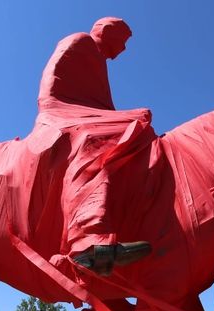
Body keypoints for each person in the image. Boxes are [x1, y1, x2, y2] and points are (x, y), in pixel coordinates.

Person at [38, 17, 150, 276]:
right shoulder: (81, 42)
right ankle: (86, 240)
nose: (123, 49)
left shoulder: (97, 61)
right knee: (95, 142)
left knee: (135, 128)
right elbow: (54, 89)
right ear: (107, 31)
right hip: (62, 113)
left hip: (82, 117)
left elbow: (101, 108)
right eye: (122, 41)